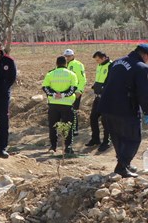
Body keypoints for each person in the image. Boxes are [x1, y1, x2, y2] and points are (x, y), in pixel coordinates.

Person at [98, 43, 148, 178]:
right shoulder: (141, 67)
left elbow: (107, 82)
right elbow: (144, 93)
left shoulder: (117, 62)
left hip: (106, 107)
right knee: (133, 138)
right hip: (125, 109)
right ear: (144, 55)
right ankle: (121, 167)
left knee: (117, 137)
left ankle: (125, 164)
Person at [42, 55, 79, 155]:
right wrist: (63, 95)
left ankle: (53, 146)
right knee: (68, 126)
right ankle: (68, 147)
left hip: (53, 104)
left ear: (56, 63)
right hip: (67, 104)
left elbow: (45, 87)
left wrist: (54, 94)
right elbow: (73, 89)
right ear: (66, 63)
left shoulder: (50, 74)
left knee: (53, 126)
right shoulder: (72, 74)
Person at [86, 51, 112, 152]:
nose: (97, 62)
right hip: (98, 97)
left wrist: (103, 87)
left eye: (98, 59)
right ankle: (95, 139)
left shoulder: (111, 65)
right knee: (93, 117)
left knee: (105, 120)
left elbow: (110, 81)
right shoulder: (100, 66)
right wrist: (95, 86)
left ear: (104, 57)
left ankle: (106, 142)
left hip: (106, 97)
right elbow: (99, 79)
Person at [63, 49, 87, 135]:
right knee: (67, 110)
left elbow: (82, 79)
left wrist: (79, 90)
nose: (67, 58)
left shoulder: (78, 65)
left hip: (75, 91)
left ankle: (75, 129)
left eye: (69, 56)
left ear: (73, 56)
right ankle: (67, 129)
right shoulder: (65, 65)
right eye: (66, 56)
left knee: (74, 111)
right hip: (67, 91)